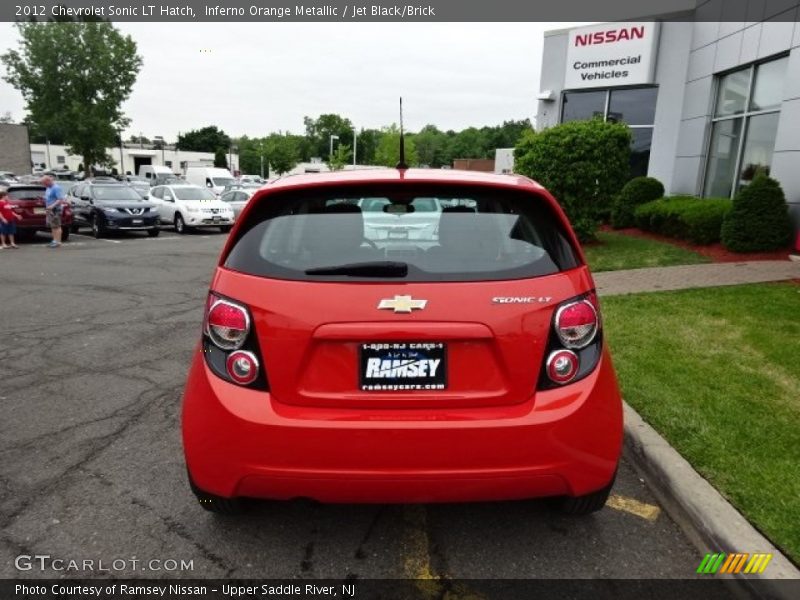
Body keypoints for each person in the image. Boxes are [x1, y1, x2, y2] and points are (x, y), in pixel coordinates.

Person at [42, 175, 67, 248]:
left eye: (44, 183)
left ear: (48, 181)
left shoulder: (56, 188)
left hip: (55, 210)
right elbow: (48, 197)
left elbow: (60, 199)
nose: (44, 185)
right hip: (49, 210)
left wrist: (52, 206)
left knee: (57, 225)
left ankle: (58, 242)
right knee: (52, 226)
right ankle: (54, 240)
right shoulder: (48, 188)